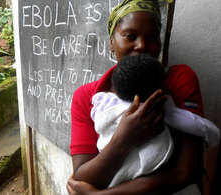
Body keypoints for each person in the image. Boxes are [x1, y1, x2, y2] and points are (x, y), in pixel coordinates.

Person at [67, 0, 206, 194]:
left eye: (152, 37)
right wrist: (123, 139)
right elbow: (82, 176)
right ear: (111, 43)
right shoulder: (88, 97)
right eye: (130, 36)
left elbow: (186, 171)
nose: (142, 45)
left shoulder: (179, 79)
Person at [91, 54, 220, 189]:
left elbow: (96, 115)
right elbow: (190, 123)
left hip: (108, 160)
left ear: (114, 86)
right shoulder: (158, 106)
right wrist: (212, 133)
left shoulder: (104, 100)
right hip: (145, 171)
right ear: (158, 89)